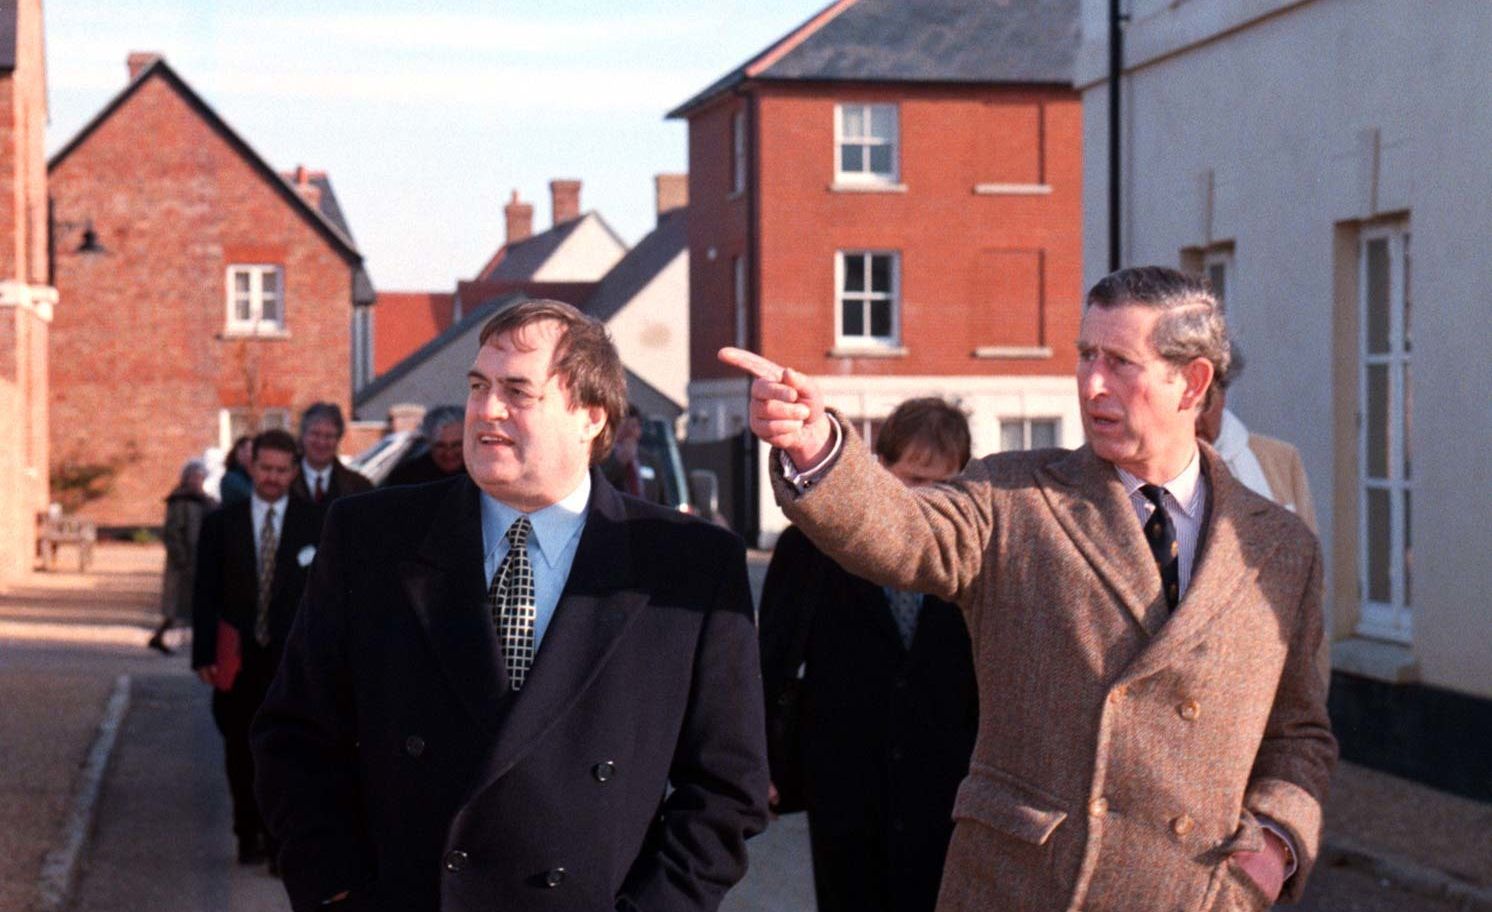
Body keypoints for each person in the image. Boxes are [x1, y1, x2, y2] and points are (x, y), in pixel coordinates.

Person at [720, 266, 1336, 911]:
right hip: (1028, 888)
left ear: (1193, 383)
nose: (1092, 383)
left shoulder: (1278, 547)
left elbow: (1299, 733)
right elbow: (901, 530)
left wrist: (1275, 842)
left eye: (1121, 362)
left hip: (1195, 894)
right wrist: (816, 445)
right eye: (1085, 355)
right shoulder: (1017, 499)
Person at [252, 299, 768, 912]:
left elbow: (726, 789)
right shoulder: (372, 537)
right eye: (478, 386)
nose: (485, 411)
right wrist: (335, 892)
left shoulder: (687, 564)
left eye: (517, 391)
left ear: (590, 416)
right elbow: (295, 735)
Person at [758, 396, 978, 912]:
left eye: (940, 483)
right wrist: (760, 760)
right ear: (880, 469)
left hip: (947, 788)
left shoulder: (983, 554)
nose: (924, 498)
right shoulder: (810, 547)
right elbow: (771, 661)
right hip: (844, 782)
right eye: (910, 479)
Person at [191, 429, 324, 869]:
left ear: (293, 470)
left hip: (289, 662)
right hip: (237, 655)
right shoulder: (221, 523)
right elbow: (204, 592)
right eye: (265, 468)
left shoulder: (315, 523)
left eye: (282, 470)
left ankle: (277, 840)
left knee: (286, 754)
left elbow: (326, 599)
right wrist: (204, 654)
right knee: (238, 748)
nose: (272, 477)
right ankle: (246, 831)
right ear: (252, 467)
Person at [1197, 347, 1327, 687]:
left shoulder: (1279, 461)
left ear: (1223, 394)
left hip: (1276, 683)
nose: (1193, 416)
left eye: (1204, 401)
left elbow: (1312, 593)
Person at [149, 459, 217, 655]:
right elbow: (172, 532)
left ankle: (198, 643)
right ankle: (162, 637)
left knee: (197, 604)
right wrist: (182, 557)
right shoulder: (180, 501)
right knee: (177, 603)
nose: (197, 480)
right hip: (185, 561)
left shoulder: (205, 500)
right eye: (194, 476)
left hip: (202, 558)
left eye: (200, 477)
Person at [290, 402, 373, 505]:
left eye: (329, 436)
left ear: (338, 439)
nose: (321, 442)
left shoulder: (359, 488)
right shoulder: (283, 482)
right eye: (315, 434)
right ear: (303, 436)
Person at [600, 405, 668, 505]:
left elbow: (662, 496)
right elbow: (600, 485)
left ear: (639, 430)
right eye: (624, 425)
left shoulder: (650, 459)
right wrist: (619, 462)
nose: (629, 431)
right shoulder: (602, 457)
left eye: (633, 426)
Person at [383, 405, 466, 487]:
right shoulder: (407, 478)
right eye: (440, 445)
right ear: (429, 443)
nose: (449, 453)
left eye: (456, 445)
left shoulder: (476, 476)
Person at [219, 435, 254, 507]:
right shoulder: (230, 478)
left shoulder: (253, 476)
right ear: (238, 453)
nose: (250, 454)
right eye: (246, 450)